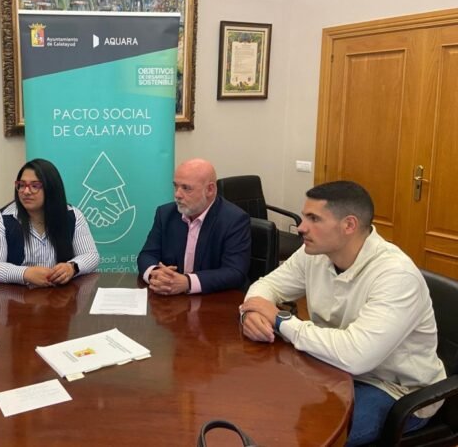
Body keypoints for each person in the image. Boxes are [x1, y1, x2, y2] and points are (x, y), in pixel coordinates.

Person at [240, 181, 446, 446]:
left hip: (392, 389)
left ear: (349, 225)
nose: (301, 227)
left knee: (299, 436)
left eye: (314, 219)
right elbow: (266, 286)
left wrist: (280, 320)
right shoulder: (314, 253)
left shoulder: (396, 276)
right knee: (260, 405)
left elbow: (356, 357)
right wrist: (252, 314)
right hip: (330, 367)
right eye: (304, 217)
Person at [137, 158, 251, 295]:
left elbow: (235, 272)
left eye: (186, 188)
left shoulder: (234, 219)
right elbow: (147, 254)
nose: (177, 194)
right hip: (169, 298)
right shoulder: (165, 214)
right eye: (176, 186)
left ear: (210, 190)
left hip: (214, 299)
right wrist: (155, 273)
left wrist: (188, 282)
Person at [0, 158, 100, 286]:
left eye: (35, 186)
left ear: (51, 188)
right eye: (22, 185)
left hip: (61, 293)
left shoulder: (72, 215)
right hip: (17, 294)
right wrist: (25, 273)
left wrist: (72, 267)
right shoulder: (1, 220)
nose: (26, 191)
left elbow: (91, 255)